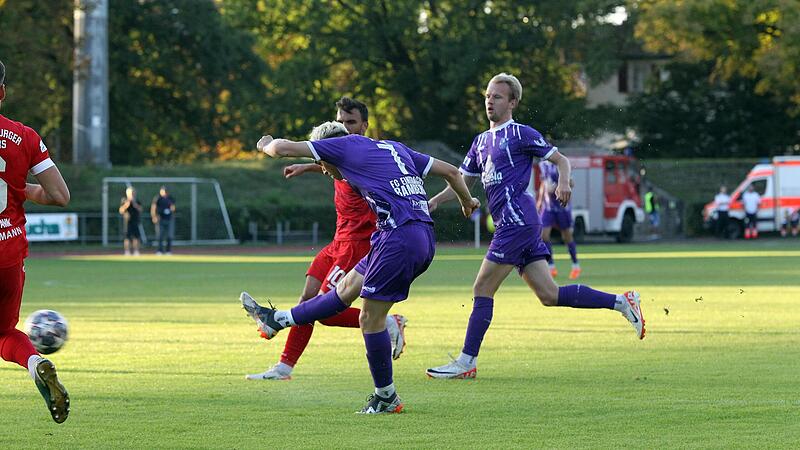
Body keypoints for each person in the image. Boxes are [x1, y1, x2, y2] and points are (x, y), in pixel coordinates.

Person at [241, 121, 479, 414]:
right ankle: (276, 319)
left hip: (398, 237)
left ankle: (386, 396)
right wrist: (467, 202)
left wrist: (264, 143)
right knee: (345, 289)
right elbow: (453, 172)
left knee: (370, 319)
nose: (327, 172)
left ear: (328, 151)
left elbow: (281, 148)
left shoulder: (342, 146)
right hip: (416, 236)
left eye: (324, 166)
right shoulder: (393, 147)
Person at [424, 73, 645, 380]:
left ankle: (466, 362)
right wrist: (434, 202)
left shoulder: (520, 133)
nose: (490, 101)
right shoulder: (480, 142)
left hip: (518, 221)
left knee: (482, 287)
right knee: (549, 295)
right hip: (517, 225)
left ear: (513, 102)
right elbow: (464, 180)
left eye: (497, 97)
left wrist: (564, 182)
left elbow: (561, 160)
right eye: (487, 96)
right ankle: (622, 302)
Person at [246, 97, 408, 381]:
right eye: (340, 122)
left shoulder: (367, 158)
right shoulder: (339, 156)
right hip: (337, 243)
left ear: (365, 125)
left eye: (351, 123)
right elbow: (330, 163)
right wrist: (307, 167)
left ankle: (388, 322)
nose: (344, 128)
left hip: (357, 246)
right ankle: (284, 367)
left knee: (326, 311)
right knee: (307, 298)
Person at [0, 59, 71, 423]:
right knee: (3, 333)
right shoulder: (24, 136)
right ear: (2, 92)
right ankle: (35, 362)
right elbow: (60, 195)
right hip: (9, 252)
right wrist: (22, 189)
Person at [537, 159, 580, 279]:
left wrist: (558, 186)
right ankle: (551, 266)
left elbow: (571, 183)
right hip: (548, 207)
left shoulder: (563, 163)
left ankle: (575, 264)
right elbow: (543, 184)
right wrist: (539, 202)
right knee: (543, 235)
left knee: (566, 237)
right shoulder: (543, 165)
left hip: (562, 207)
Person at [151, 186, 176, 254]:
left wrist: (172, 211)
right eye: (163, 191)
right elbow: (153, 208)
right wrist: (154, 216)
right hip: (160, 219)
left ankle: (168, 251)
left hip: (169, 219)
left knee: (169, 236)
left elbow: (173, 207)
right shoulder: (158, 198)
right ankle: (159, 250)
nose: (164, 192)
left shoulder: (170, 198)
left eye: (166, 191)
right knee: (160, 235)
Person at [118, 186, 142, 255]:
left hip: (135, 220)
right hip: (127, 221)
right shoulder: (124, 200)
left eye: (133, 193)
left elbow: (140, 209)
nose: (132, 194)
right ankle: (127, 251)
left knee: (136, 237)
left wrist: (135, 204)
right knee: (127, 237)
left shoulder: (137, 201)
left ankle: (136, 251)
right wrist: (127, 204)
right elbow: (121, 211)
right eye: (131, 193)